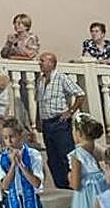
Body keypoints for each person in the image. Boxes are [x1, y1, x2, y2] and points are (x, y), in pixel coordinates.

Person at [36, 52, 84, 190]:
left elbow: (80, 94)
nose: (40, 63)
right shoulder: (40, 80)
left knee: (66, 154)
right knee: (53, 157)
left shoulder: (62, 78)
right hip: (47, 123)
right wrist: (38, 121)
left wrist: (71, 111)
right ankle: (61, 184)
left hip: (59, 122)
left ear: (51, 63)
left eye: (43, 61)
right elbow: (39, 102)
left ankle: (74, 182)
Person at [68, 112, 108, 208]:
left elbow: (75, 184)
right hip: (103, 189)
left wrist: (70, 176)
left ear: (78, 133)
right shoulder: (98, 149)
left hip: (87, 196)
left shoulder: (77, 154)